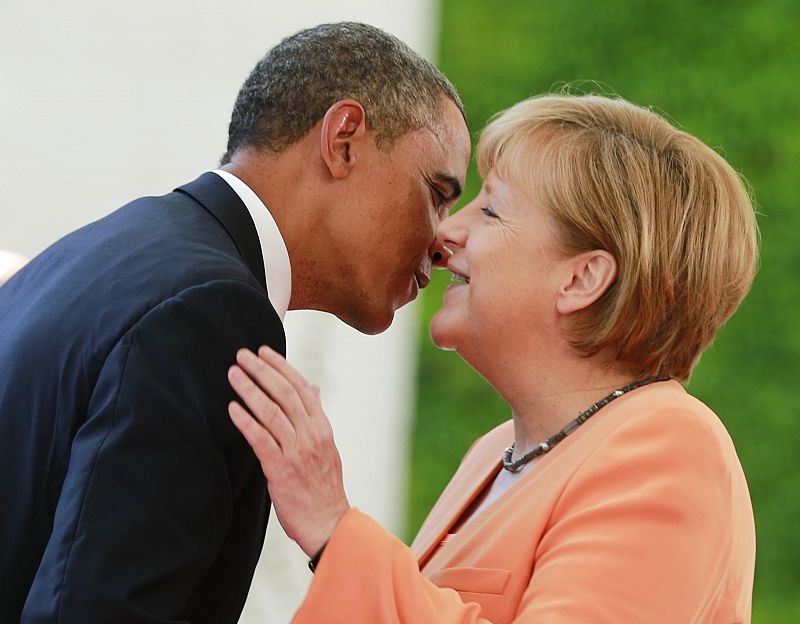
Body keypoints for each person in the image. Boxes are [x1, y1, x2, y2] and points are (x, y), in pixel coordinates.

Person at [0, 22, 469, 623]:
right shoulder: (211, 311)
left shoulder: (100, 250)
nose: (446, 240)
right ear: (344, 139)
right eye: (437, 192)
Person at [228, 93, 759, 623]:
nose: (443, 234)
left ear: (582, 279)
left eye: (492, 210)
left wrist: (332, 526)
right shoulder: (495, 451)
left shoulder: (670, 447)